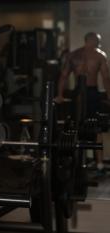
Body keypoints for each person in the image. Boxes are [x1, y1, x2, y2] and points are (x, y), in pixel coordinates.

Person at [55, 32, 110, 177]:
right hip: (89, 93)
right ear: (92, 40)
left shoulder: (73, 55)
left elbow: (64, 76)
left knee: (82, 126)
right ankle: (96, 164)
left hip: (79, 93)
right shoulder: (99, 55)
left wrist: (60, 95)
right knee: (90, 128)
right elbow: (106, 78)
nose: (98, 44)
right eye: (97, 41)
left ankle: (82, 164)